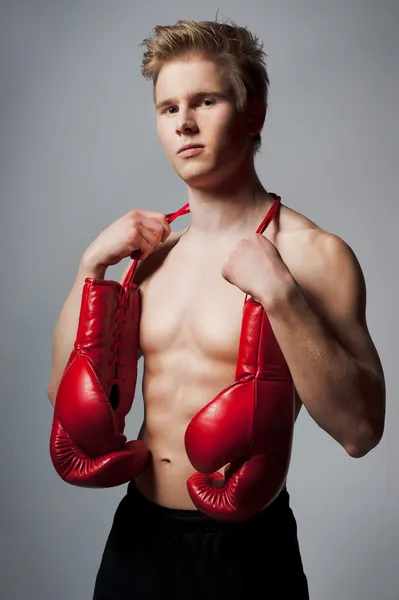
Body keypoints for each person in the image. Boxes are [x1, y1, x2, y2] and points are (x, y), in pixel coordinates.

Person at [47, 17, 386, 600]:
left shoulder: (313, 254)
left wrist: (280, 296)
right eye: (167, 108)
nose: (184, 123)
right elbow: (66, 400)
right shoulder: (147, 256)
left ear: (252, 114)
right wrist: (89, 269)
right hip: (139, 538)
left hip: (249, 553)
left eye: (205, 100)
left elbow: (360, 430)